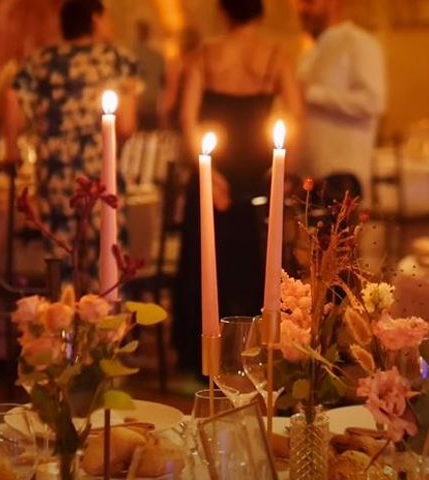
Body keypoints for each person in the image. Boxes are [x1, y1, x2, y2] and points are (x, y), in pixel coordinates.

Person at [173, 0, 303, 375]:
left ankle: (202, 356)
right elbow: (296, 116)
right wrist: (280, 171)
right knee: (254, 263)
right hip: (257, 173)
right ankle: (253, 352)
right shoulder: (274, 56)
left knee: (207, 260)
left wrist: (207, 172)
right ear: (259, 13)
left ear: (223, 12)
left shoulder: (205, 56)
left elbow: (187, 119)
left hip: (215, 169)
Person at [3, 0, 139, 284]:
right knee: (107, 260)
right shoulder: (117, 59)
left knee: (61, 259)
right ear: (96, 18)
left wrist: (12, 148)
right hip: (101, 176)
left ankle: (64, 322)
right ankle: (105, 325)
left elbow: (12, 97)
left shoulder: (41, 61)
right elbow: (126, 124)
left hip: (54, 175)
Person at [295, 0, 386, 200]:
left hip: (343, 176)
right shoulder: (307, 54)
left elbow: (373, 101)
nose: (302, 10)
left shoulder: (358, 42)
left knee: (338, 232)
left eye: (309, 2)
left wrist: (312, 94)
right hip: (306, 176)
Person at [133, 20, 165, 131]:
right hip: (152, 106)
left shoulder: (129, 55)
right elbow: (163, 84)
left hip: (135, 108)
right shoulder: (158, 57)